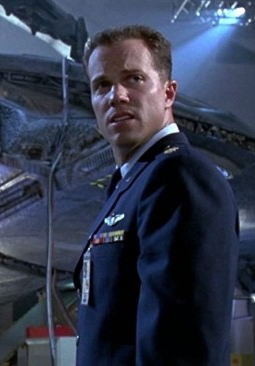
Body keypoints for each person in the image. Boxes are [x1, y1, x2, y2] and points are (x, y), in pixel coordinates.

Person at [73, 25, 239, 365]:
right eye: (101, 85)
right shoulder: (132, 183)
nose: (116, 96)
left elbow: (182, 347)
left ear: (168, 93)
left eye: (134, 79)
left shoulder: (179, 177)